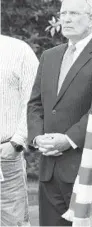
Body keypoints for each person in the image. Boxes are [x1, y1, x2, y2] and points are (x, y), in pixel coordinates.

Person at [27, 0, 92, 226]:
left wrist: (68, 139)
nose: (66, 19)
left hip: (87, 170)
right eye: (63, 13)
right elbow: (36, 104)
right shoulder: (49, 56)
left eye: (74, 13)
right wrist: (37, 139)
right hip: (49, 171)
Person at [0, 34, 38, 226]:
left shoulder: (19, 51)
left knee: (11, 222)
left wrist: (17, 142)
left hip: (5, 157)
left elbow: (34, 101)